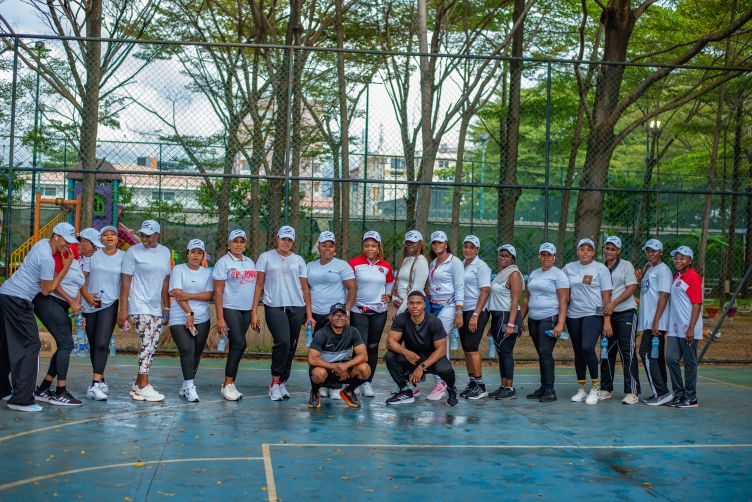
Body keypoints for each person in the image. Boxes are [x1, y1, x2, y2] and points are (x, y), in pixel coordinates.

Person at [0, 222, 75, 412]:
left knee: (7, 344)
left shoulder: (41, 243)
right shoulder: (47, 258)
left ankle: (2, 389)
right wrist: (66, 267)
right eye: (66, 241)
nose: (68, 245)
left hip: (5, 294)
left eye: (70, 242)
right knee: (31, 345)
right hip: (18, 300)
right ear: (56, 236)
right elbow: (47, 290)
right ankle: (21, 399)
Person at [33, 227, 103, 406]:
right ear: (84, 241)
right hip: (48, 301)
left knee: (65, 345)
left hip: (60, 305)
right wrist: (71, 301)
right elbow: (52, 281)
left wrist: (79, 305)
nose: (95, 250)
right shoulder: (67, 251)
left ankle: (43, 388)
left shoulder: (78, 258)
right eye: (94, 246)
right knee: (66, 344)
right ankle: (60, 392)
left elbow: (78, 286)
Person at [252, 225, 313, 401]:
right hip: (274, 306)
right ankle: (274, 383)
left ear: (293, 241)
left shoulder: (299, 260)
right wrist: (254, 311)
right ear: (277, 238)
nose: (286, 242)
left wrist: (309, 315)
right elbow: (259, 284)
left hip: (297, 307)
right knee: (283, 342)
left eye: (289, 240)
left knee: (292, 345)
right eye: (283, 238)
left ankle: (282, 382)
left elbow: (305, 289)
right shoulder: (265, 257)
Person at [117, 220, 171, 402]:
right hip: (137, 304)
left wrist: (167, 306)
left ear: (157, 235)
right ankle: (143, 386)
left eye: (149, 234)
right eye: (143, 234)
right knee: (148, 342)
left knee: (152, 344)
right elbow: (125, 281)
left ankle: (137, 384)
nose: (144, 237)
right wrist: (123, 309)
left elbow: (165, 280)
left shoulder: (165, 252)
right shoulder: (132, 252)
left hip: (155, 306)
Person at [384, 291, 458, 406]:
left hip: (432, 359)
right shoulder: (401, 318)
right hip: (413, 357)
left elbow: (441, 350)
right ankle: (405, 391)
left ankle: (451, 389)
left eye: (418, 303)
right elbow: (390, 342)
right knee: (390, 356)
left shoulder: (434, 321)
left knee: (446, 369)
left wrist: (421, 367)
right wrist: (405, 352)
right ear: (407, 305)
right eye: (411, 303)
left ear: (424, 305)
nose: (415, 306)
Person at [306, 231, 356, 400]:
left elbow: (352, 288)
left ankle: (335, 386)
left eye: (331, 245)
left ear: (335, 248)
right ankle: (318, 386)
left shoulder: (342, 266)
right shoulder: (310, 266)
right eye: (324, 245)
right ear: (319, 247)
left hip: (336, 316)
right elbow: (306, 290)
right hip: (315, 315)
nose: (327, 248)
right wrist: (308, 315)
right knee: (317, 353)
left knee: (336, 351)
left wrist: (346, 312)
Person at [563, 238, 613, 405]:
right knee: (578, 352)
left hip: (593, 314)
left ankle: (596, 388)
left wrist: (606, 320)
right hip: (573, 315)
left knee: (587, 348)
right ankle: (582, 388)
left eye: (589, 249)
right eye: (582, 249)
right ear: (577, 251)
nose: (585, 252)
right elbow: (563, 291)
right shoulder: (569, 268)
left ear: (593, 252)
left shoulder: (601, 269)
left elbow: (606, 296)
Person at [521, 242, 569, 403]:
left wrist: (560, 324)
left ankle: (550, 390)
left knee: (545, 352)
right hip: (534, 319)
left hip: (550, 317)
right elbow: (527, 298)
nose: (546, 257)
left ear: (554, 257)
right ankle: (543, 387)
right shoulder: (534, 273)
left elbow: (563, 301)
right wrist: (521, 319)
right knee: (541, 353)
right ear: (539, 256)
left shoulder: (559, 275)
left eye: (549, 255)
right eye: (543, 254)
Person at [348, 230, 394, 397]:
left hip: (379, 312)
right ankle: (355, 381)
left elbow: (390, 282)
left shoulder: (386, 266)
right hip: (359, 311)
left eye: (373, 245)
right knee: (360, 347)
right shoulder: (354, 263)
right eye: (366, 245)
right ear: (363, 247)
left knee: (373, 347)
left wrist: (388, 295)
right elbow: (349, 285)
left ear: (378, 247)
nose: (369, 248)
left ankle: (367, 382)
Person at [81, 225, 124, 401]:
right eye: (105, 234)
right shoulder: (93, 254)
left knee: (102, 343)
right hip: (90, 303)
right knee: (93, 343)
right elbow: (81, 278)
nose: (109, 237)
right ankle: (101, 378)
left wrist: (124, 308)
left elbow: (126, 283)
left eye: (113, 234)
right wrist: (85, 296)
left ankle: (94, 385)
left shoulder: (124, 257)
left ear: (118, 238)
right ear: (100, 239)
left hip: (110, 303)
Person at [213, 229, 257, 401]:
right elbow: (218, 291)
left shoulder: (250, 262)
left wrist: (253, 312)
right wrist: (220, 318)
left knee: (236, 346)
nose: (238, 244)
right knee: (240, 343)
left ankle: (230, 384)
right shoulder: (223, 263)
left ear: (245, 244)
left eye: (242, 241)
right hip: (230, 308)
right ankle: (227, 384)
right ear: (229, 244)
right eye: (235, 241)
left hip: (246, 310)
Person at [169, 239, 214, 402]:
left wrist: (189, 295)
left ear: (203, 255)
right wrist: (189, 312)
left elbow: (209, 295)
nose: (196, 255)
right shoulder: (178, 270)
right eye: (193, 252)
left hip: (202, 319)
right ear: (187, 253)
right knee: (187, 349)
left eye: (199, 253)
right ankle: (190, 386)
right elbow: (177, 294)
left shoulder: (207, 273)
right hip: (179, 318)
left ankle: (186, 383)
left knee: (196, 352)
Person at [599, 236, 641, 405]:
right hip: (607, 315)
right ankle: (606, 388)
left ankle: (632, 392)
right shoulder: (600, 268)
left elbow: (632, 287)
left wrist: (614, 303)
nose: (610, 251)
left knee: (627, 351)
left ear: (619, 251)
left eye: (613, 249)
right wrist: (605, 316)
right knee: (606, 351)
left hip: (625, 313)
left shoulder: (626, 265)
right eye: (607, 248)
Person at [307, 303, 371, 409]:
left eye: (342, 315)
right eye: (336, 315)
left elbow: (364, 356)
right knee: (318, 373)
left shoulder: (353, 331)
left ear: (346, 317)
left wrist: (346, 365)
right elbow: (312, 359)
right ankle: (314, 392)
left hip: (344, 369)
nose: (340, 318)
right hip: (326, 369)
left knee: (365, 369)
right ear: (330, 318)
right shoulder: (321, 333)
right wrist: (335, 367)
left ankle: (348, 391)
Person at [426, 230, 464, 401]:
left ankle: (441, 384)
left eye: (440, 242)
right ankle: (446, 384)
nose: (437, 245)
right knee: (440, 344)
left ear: (446, 244)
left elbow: (460, 287)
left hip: (448, 306)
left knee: (438, 342)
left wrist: (459, 312)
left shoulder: (455, 262)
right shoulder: (432, 263)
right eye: (434, 242)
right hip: (433, 306)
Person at [637, 239, 674, 406]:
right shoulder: (650, 268)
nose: (651, 253)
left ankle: (661, 392)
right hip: (649, 320)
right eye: (648, 250)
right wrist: (639, 280)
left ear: (661, 252)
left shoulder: (663, 270)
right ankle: (662, 391)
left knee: (645, 352)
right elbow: (647, 291)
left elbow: (664, 295)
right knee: (655, 356)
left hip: (656, 322)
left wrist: (656, 321)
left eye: (654, 250)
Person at [666, 246, 703, 408]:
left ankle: (691, 397)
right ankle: (679, 394)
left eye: (682, 258)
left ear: (690, 260)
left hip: (689, 328)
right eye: (676, 258)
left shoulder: (693, 277)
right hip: (675, 328)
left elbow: (696, 304)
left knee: (689, 362)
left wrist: (691, 328)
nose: (678, 261)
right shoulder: (677, 276)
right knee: (671, 358)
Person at [487, 244, 524, 400]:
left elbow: (515, 302)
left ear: (512, 259)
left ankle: (509, 388)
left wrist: (510, 324)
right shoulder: (501, 274)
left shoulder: (514, 274)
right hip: (498, 316)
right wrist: (493, 324)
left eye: (507, 256)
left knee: (506, 351)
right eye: (501, 255)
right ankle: (503, 386)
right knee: (501, 352)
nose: (503, 258)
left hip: (508, 316)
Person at [458, 235, 491, 400]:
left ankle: (481, 386)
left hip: (476, 311)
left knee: (472, 347)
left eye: (472, 247)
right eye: (466, 246)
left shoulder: (481, 266)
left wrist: (476, 314)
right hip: (464, 310)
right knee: (466, 349)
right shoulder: (461, 264)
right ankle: (472, 383)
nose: (468, 250)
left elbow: (485, 291)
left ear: (477, 250)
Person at [392, 230, 429, 314]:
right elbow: (398, 283)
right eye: (407, 242)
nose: (409, 244)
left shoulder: (421, 261)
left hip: (415, 307)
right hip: (405, 306)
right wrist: (395, 299)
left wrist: (400, 312)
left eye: (413, 242)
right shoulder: (405, 260)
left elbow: (417, 290)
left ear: (420, 244)